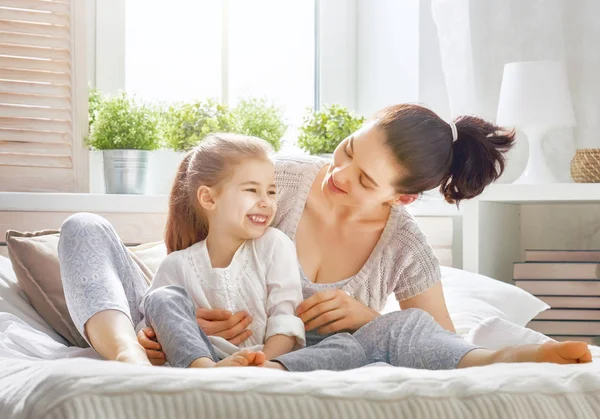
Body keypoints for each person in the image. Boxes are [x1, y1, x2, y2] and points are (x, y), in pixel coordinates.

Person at [58, 104, 591, 369]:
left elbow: (436, 339)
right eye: (348, 150)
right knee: (83, 228)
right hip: (189, 335)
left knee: (391, 330)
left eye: (363, 180)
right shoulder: (277, 181)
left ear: (400, 198)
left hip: (293, 360)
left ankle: (505, 361)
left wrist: (368, 319)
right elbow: (190, 262)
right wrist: (170, 325)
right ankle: (126, 361)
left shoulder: (404, 245)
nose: (337, 174)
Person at [137, 134, 305, 369]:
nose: (266, 202)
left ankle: (258, 370)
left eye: (271, 192)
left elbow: (285, 320)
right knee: (161, 297)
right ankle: (205, 369)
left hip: (266, 361)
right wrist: (146, 339)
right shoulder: (176, 265)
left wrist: (261, 364)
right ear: (208, 197)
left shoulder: (275, 245)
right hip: (201, 357)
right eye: (251, 190)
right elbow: (151, 322)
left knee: (344, 345)